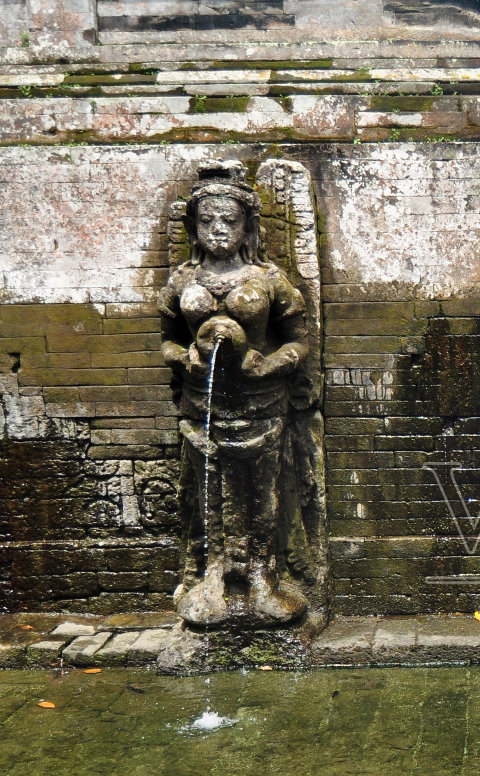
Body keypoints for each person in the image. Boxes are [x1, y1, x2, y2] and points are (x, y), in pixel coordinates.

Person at [158, 161, 309, 627]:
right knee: (207, 494)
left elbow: (299, 341)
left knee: (263, 496)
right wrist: (183, 358)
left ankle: (263, 575)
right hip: (202, 404)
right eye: (207, 221)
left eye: (229, 220)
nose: (218, 230)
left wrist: (269, 364)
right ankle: (212, 575)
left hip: (261, 404)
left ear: (248, 227)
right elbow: (166, 340)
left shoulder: (269, 280)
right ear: (193, 227)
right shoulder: (182, 281)